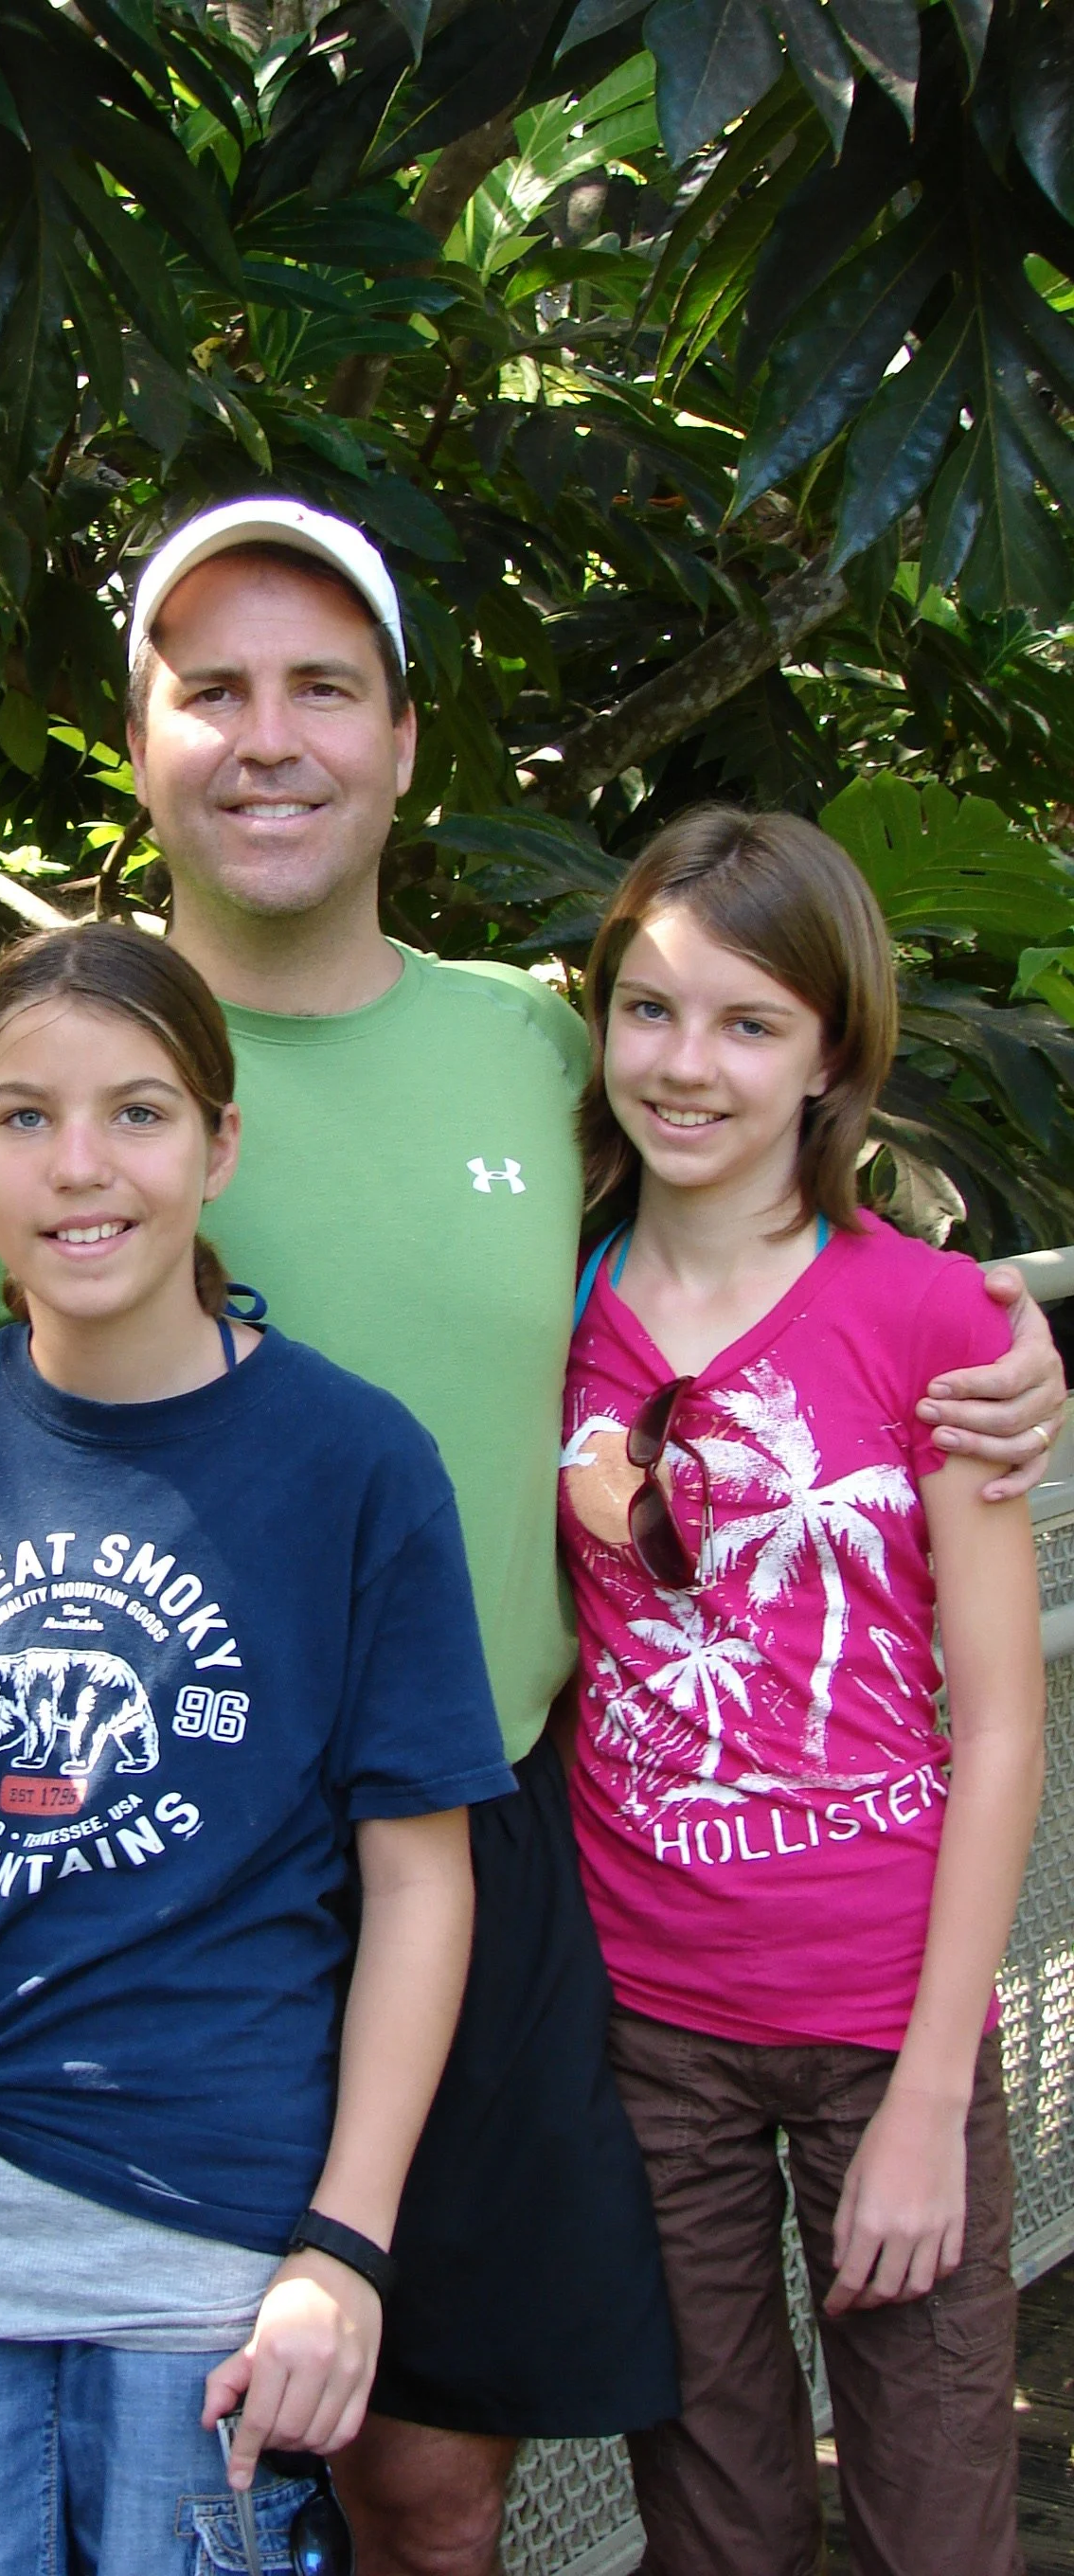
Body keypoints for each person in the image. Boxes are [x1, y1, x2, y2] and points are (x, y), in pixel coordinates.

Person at [0, 499, 1066, 2574]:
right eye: (214, 691)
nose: (270, 740)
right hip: (142, 1866)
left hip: (485, 1831)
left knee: (432, 2468)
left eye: (322, 689)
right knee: (170, 2445)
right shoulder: (41, 1072)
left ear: (405, 741)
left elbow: (756, 1257)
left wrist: (1003, 1357)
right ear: (141, 738)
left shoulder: (537, 1045)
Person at [0, 921, 509, 2575]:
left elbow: (417, 1883)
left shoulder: (352, 1464)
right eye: (22, 1117)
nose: (77, 1166)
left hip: (210, 2249)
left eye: (137, 1113)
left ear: (218, 1143)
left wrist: (345, 2247)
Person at [559, 808, 1047, 2576]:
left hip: (878, 2022)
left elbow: (998, 1718)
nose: (685, 1068)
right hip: (642, 2026)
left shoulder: (931, 1323)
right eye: (649, 1011)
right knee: (711, 2517)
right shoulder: (547, 1303)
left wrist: (927, 2092)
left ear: (828, 1049)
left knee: (931, 2517)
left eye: (747, 1023)